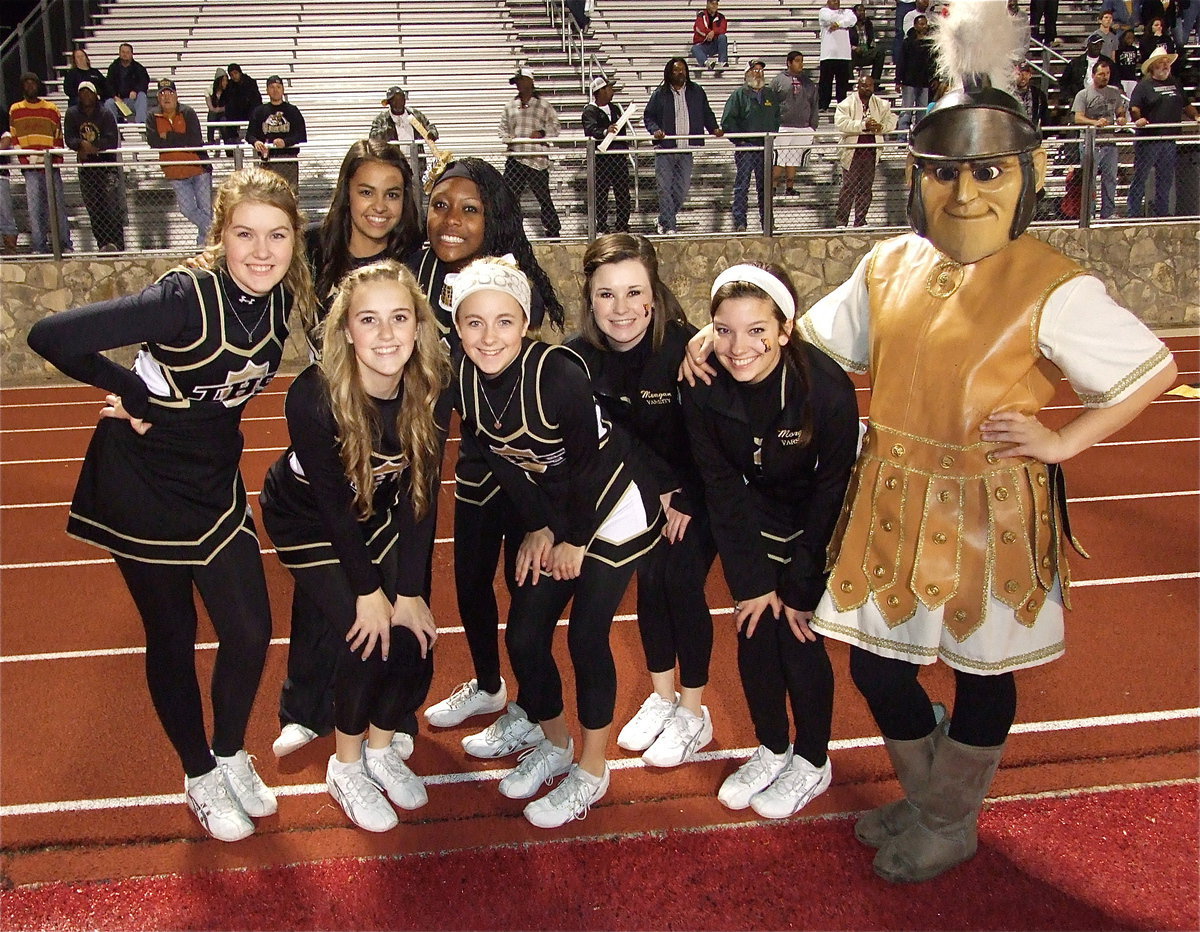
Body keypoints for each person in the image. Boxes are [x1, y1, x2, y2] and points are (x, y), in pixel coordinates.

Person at [798, 0, 1176, 883]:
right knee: (878, 667)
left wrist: (1063, 441)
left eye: (989, 171)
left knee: (981, 669)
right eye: (944, 173)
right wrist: (725, 333)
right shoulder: (886, 263)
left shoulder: (1054, 281)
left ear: (1029, 173)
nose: (964, 194)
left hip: (991, 506)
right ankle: (937, 796)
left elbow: (1149, 370)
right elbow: (810, 339)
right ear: (917, 177)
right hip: (888, 494)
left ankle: (946, 817)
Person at [26, 167, 318, 843]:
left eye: (277, 235)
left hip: (212, 474)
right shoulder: (185, 297)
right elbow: (50, 334)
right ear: (219, 233)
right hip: (144, 480)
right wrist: (131, 392)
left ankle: (227, 752)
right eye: (244, 234)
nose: (261, 250)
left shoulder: (284, 290)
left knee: (248, 629)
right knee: (173, 633)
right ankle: (198, 775)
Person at [451, 257, 661, 828]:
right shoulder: (463, 378)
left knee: (587, 636)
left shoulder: (557, 373)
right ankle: (557, 743)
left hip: (613, 507)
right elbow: (506, 464)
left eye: (503, 321)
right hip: (561, 511)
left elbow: (591, 464)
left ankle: (593, 771)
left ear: (525, 323)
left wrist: (572, 537)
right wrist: (541, 526)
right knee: (523, 635)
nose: (488, 336)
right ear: (457, 324)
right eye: (474, 322)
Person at [259, 261, 448, 832]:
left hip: (377, 511)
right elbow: (335, 511)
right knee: (368, 638)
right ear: (346, 331)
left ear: (418, 327)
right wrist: (369, 591)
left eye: (399, 318)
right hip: (306, 518)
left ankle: (382, 748)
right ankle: (345, 766)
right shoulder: (313, 397)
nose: (387, 334)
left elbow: (422, 496)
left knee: (414, 636)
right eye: (370, 320)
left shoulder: (432, 389)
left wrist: (410, 591)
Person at [679, 263, 857, 818]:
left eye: (758, 329)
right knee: (755, 628)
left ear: (785, 329)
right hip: (753, 511)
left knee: (797, 635)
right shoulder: (702, 383)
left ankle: (812, 760)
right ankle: (772, 746)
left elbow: (832, 490)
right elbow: (720, 483)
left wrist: (800, 585)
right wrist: (752, 581)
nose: (738, 347)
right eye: (724, 329)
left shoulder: (824, 389)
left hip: (815, 518)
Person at [266, 137, 424, 758]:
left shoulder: (417, 259)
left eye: (392, 193)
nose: (379, 207)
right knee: (324, 587)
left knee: (392, 586)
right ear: (344, 194)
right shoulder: (310, 252)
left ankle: (392, 716)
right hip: (328, 418)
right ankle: (305, 708)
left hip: (389, 432)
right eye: (365, 192)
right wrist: (151, 381)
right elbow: (237, 278)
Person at [410, 158, 566, 757]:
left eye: (469, 209)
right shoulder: (422, 269)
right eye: (441, 204)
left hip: (524, 463)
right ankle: (489, 685)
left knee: (522, 587)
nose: (451, 220)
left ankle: (530, 707)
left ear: (493, 217)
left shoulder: (509, 274)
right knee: (471, 582)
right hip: (477, 462)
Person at [565, 234, 718, 767]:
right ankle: (662, 696)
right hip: (642, 492)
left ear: (654, 295)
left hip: (699, 489)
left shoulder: (687, 349)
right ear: (590, 299)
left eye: (634, 292)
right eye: (607, 295)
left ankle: (695, 714)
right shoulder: (577, 359)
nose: (622, 308)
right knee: (648, 588)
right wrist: (657, 490)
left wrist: (688, 498)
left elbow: (716, 439)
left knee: (678, 582)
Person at [643, 57, 723, 235]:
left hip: (686, 148)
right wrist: (655, 130)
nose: (680, 73)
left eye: (683, 70)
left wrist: (713, 128)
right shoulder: (660, 94)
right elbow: (649, 116)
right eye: (676, 70)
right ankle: (670, 226)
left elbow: (706, 112)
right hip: (666, 149)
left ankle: (664, 219)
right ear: (669, 73)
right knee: (664, 188)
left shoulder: (696, 91)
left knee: (681, 189)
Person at [1129, 47, 1200, 216]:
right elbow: (1134, 108)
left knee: (1165, 179)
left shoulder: (1175, 83)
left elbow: (1185, 104)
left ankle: (1162, 213)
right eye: (1162, 62)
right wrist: (1138, 119)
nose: (1165, 65)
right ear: (1153, 66)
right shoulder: (1144, 86)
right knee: (1141, 177)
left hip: (1169, 138)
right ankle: (1133, 213)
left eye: (1167, 62)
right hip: (1149, 139)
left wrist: (1196, 116)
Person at [8, 72, 73, 254]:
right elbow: (15, 138)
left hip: (50, 164)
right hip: (31, 167)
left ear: (38, 86)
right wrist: (25, 161)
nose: (30, 86)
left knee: (58, 206)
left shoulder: (51, 108)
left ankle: (65, 244)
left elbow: (58, 136)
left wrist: (56, 160)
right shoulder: (16, 109)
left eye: (33, 83)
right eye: (26, 83)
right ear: (22, 87)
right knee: (35, 208)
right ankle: (39, 246)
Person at [146, 78, 213, 246]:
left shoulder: (188, 112)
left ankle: (203, 245)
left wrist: (168, 136)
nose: (166, 96)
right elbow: (154, 141)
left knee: (205, 209)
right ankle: (217, 231)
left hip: (198, 168)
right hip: (174, 172)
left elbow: (195, 139)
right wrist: (179, 139)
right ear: (158, 97)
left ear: (176, 95)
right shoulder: (152, 115)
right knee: (187, 209)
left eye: (170, 92)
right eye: (162, 93)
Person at [498, 67, 561, 239]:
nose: (518, 85)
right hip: (516, 158)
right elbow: (502, 130)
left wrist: (542, 133)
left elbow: (555, 127)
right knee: (509, 198)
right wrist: (509, 138)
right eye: (516, 82)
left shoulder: (543, 105)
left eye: (521, 81)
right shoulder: (510, 106)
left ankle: (553, 229)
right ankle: (509, 231)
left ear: (530, 82)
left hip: (536, 159)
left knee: (543, 196)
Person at [64, 80, 126, 251]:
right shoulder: (72, 114)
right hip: (86, 169)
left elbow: (112, 139)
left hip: (107, 167)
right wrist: (80, 144)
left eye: (88, 92)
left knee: (112, 208)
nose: (85, 95)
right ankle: (103, 244)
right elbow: (69, 138)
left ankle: (118, 245)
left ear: (95, 94)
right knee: (94, 209)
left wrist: (93, 147)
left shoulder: (105, 114)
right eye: (82, 92)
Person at [721, 59, 779, 233]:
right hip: (746, 148)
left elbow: (776, 117)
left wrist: (771, 135)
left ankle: (768, 222)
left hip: (765, 147)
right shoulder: (739, 95)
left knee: (766, 187)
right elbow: (728, 121)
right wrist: (740, 140)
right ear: (747, 74)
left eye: (761, 70)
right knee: (742, 185)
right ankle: (740, 222)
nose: (758, 73)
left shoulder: (769, 95)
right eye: (754, 70)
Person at [834, 75, 897, 227]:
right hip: (852, 151)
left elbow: (892, 120)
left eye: (870, 85)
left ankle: (860, 220)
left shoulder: (881, 104)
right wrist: (863, 125)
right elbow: (841, 123)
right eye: (864, 86)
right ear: (858, 86)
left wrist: (881, 127)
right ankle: (841, 221)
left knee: (866, 187)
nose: (867, 88)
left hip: (871, 151)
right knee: (849, 186)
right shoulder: (846, 104)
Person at [1073, 60, 1127, 219]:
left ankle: (1108, 212)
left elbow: (1120, 111)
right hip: (1091, 143)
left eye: (1107, 74)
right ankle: (1088, 213)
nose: (1105, 77)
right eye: (1101, 74)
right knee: (1089, 180)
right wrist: (1094, 122)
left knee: (1110, 179)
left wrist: (1122, 118)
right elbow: (1078, 117)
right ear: (1093, 75)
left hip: (1110, 142)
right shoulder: (1083, 94)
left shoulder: (1114, 92)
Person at [581, 75, 632, 234]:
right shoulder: (590, 111)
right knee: (601, 192)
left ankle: (622, 224)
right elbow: (590, 129)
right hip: (601, 158)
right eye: (609, 88)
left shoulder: (615, 108)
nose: (612, 91)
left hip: (618, 157)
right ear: (600, 91)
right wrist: (604, 131)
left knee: (622, 192)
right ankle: (601, 225)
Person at [246, 75, 307, 192]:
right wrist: (256, 142)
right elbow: (250, 135)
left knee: (290, 194)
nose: (275, 90)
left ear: (283, 89)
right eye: (272, 87)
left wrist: (285, 142)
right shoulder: (260, 111)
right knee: (268, 194)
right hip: (268, 160)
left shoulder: (292, 111)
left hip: (287, 160)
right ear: (267, 90)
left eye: (278, 87)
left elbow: (301, 135)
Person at [771, 51, 819, 197]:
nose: (800, 64)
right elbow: (771, 102)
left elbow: (814, 104)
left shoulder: (809, 83)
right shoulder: (778, 80)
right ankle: (772, 186)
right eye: (797, 61)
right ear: (789, 63)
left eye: (802, 61)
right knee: (779, 158)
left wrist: (813, 125)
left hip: (803, 126)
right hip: (783, 125)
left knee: (794, 158)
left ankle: (790, 187)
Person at [898, 14, 937, 131]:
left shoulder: (931, 43)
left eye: (925, 24)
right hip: (909, 81)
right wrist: (898, 80)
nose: (924, 26)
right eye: (921, 24)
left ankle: (919, 140)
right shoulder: (908, 42)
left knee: (922, 113)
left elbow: (934, 63)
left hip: (925, 82)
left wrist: (935, 78)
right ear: (915, 26)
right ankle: (902, 138)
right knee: (906, 112)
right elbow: (902, 61)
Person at [819, 0, 857, 110]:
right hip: (828, 54)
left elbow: (853, 20)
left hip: (843, 54)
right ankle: (823, 105)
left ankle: (842, 106)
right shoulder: (823, 11)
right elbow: (829, 19)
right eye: (833, 0)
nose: (836, 2)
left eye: (838, 0)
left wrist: (839, 24)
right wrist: (843, 22)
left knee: (842, 83)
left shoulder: (847, 12)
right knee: (826, 82)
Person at [1060, 35, 1116, 103]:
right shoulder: (1076, 63)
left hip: (1102, 98)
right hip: (1080, 98)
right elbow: (1064, 82)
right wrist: (1069, 96)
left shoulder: (1108, 62)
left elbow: (1115, 80)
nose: (1098, 47)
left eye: (1100, 44)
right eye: (1095, 44)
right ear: (1088, 45)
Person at [104, 42, 150, 124]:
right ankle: (113, 128)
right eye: (123, 52)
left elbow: (144, 82)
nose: (125, 54)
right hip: (118, 101)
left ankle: (141, 124)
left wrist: (136, 91)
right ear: (119, 53)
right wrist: (114, 96)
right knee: (108, 103)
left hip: (132, 101)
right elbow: (108, 84)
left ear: (132, 54)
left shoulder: (139, 68)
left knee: (142, 96)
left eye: (127, 52)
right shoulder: (113, 68)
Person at [223, 64, 263, 142]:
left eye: (235, 73)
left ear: (240, 72)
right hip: (237, 111)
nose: (234, 76)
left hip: (250, 110)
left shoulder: (250, 82)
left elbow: (256, 99)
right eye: (231, 75)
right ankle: (232, 138)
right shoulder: (230, 85)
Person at [849, 4, 887, 82]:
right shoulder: (849, 25)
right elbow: (844, 42)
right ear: (854, 13)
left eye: (863, 11)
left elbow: (871, 39)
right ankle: (849, 84)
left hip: (866, 52)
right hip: (853, 53)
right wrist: (854, 48)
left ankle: (874, 83)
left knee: (880, 51)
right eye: (859, 11)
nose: (862, 13)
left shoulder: (868, 24)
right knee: (849, 54)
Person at [691, 0, 729, 72]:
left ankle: (722, 62)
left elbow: (723, 29)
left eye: (716, 4)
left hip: (715, 44)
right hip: (704, 43)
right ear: (707, 4)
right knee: (694, 48)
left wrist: (713, 32)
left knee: (723, 37)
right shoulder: (701, 15)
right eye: (712, 3)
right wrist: (708, 34)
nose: (714, 6)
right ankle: (706, 63)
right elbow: (699, 28)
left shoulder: (721, 17)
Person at [206, 68, 238, 152]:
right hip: (215, 114)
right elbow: (211, 107)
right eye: (223, 80)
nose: (225, 83)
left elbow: (228, 107)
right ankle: (210, 140)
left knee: (223, 121)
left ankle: (227, 144)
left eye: (226, 80)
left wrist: (218, 109)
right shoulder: (210, 90)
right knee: (211, 115)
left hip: (225, 114)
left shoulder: (228, 90)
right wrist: (217, 110)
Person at [1013, 60, 1048, 129]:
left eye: (1026, 73)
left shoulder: (1038, 95)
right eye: (1019, 74)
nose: (1023, 77)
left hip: (1031, 131)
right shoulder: (1009, 92)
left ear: (1030, 75)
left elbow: (1044, 116)